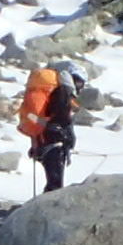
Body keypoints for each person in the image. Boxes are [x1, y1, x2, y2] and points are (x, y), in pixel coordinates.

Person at [19, 64, 77, 194]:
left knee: (53, 182)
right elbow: (62, 120)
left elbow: (33, 117)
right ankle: (50, 210)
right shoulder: (60, 95)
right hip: (54, 144)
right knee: (55, 184)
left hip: (43, 142)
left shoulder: (49, 94)